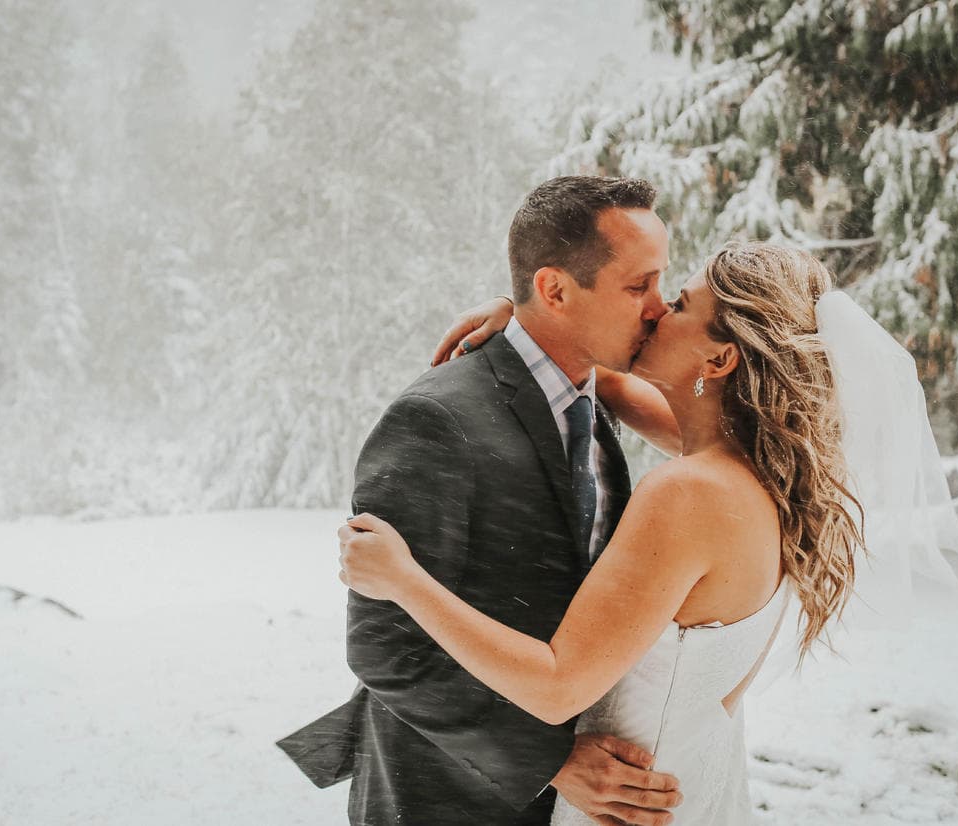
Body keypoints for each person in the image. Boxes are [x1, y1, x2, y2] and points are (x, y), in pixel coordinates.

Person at [338, 242, 958, 825]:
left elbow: (560, 683)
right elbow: (618, 387)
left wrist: (403, 581)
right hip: (695, 781)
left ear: (721, 355)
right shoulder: (768, 473)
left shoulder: (688, 495)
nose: (654, 312)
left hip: (624, 800)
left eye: (679, 303)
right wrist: (532, 317)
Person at [278, 176, 686, 825]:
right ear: (554, 288)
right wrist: (549, 760)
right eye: (639, 286)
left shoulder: (592, 400)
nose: (659, 308)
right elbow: (385, 648)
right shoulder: (436, 421)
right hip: (444, 801)